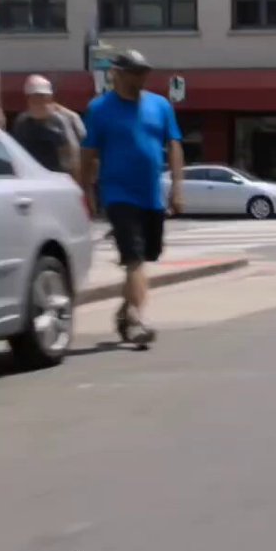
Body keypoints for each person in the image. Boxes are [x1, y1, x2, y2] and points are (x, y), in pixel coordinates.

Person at [79, 50, 184, 345]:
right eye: (136, 73)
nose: (142, 78)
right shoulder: (100, 109)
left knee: (145, 257)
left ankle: (126, 311)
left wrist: (177, 187)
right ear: (117, 73)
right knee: (134, 258)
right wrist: (86, 191)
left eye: (144, 73)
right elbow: (88, 154)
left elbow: (174, 145)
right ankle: (136, 320)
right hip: (118, 194)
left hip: (151, 195)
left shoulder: (160, 105)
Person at [12, 75, 79, 179]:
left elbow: (72, 153)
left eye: (43, 97)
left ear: (50, 98)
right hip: (31, 176)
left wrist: (73, 178)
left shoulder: (61, 121)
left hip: (58, 176)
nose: (39, 101)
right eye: (35, 97)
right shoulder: (22, 122)